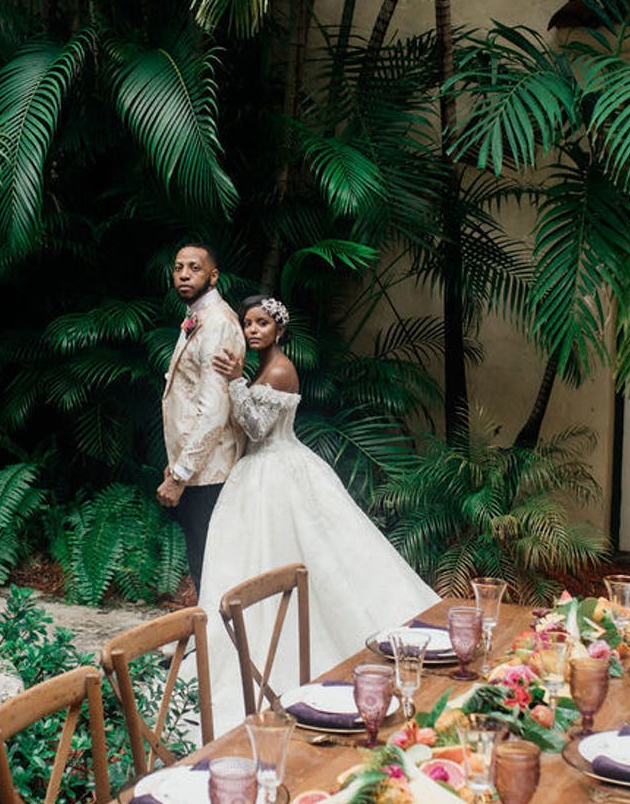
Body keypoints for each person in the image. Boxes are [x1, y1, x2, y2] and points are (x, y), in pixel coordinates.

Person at [196, 295, 439, 730]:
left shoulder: (280, 369)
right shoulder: (263, 369)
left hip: (276, 468)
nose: (253, 331)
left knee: (307, 558)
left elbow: (256, 428)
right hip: (259, 473)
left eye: (262, 324)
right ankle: (253, 649)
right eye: (248, 324)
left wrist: (234, 382)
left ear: (280, 330)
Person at [158, 243, 246, 593]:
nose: (183, 275)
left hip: (209, 470)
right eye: (178, 267)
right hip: (196, 466)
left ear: (213, 276)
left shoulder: (218, 323)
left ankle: (217, 644)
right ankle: (211, 641)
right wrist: (177, 464)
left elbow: (213, 410)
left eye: (193, 268)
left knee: (210, 563)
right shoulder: (198, 317)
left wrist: (180, 474)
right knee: (202, 562)